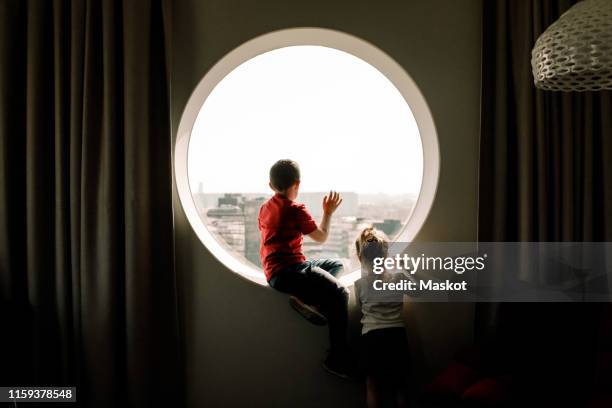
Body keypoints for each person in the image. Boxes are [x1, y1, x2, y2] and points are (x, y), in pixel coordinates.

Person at [258, 159, 354, 378]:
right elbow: (321, 237)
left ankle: (311, 300)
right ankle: (337, 358)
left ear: (271, 186)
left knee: (335, 264)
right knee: (341, 293)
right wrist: (328, 212)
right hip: (290, 272)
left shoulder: (264, 209)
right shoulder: (295, 209)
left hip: (275, 272)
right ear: (297, 185)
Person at [355, 227, 411, 408]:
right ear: (386, 256)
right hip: (396, 335)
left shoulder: (359, 284)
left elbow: (359, 309)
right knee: (401, 386)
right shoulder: (399, 278)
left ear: (359, 257)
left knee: (372, 387)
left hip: (371, 338)